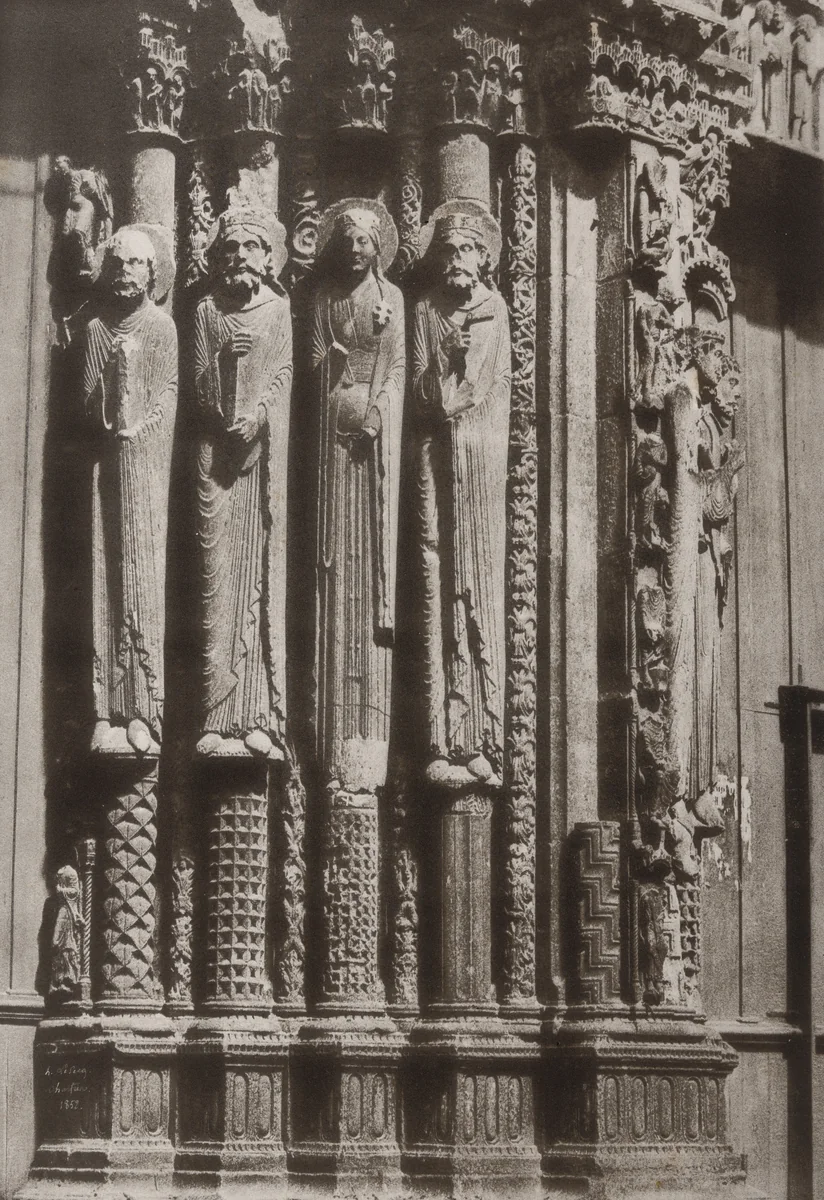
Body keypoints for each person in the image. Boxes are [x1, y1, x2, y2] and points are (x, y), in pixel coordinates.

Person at [412, 201, 511, 789]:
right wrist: (441, 364)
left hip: (477, 463)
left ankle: (482, 736)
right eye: (447, 251)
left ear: (484, 258)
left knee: (475, 583)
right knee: (436, 580)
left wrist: (456, 399)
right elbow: (420, 390)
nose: (455, 260)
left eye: (466, 250)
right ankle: (442, 735)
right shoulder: (426, 311)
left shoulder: (495, 310)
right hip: (436, 461)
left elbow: (490, 390)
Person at [310, 202, 404, 796]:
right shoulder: (324, 300)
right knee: (333, 571)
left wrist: (377, 416)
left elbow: (396, 372)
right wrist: (333, 363)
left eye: (363, 241)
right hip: (331, 456)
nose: (353, 249)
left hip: (372, 455)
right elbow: (311, 368)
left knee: (367, 573)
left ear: (376, 248)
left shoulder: (392, 300)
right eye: (345, 241)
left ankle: (368, 737)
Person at [193, 208, 292, 757]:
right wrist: (217, 368)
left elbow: (283, 376)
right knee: (215, 579)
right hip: (215, 460)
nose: (238, 257)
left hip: (258, 458)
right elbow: (193, 385)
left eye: (248, 246)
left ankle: (254, 713)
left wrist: (258, 419)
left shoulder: (278, 310)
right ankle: (214, 711)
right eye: (229, 248)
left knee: (256, 574)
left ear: (266, 256)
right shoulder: (207, 311)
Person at [83, 226, 177, 753]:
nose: (125, 272)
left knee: (141, 577)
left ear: (152, 272)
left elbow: (168, 397)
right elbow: (84, 406)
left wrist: (139, 431)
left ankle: (142, 708)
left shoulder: (162, 328)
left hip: (145, 469)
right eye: (117, 263)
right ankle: (105, 708)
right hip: (106, 471)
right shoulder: (97, 329)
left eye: (136, 263)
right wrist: (111, 379)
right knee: (106, 580)